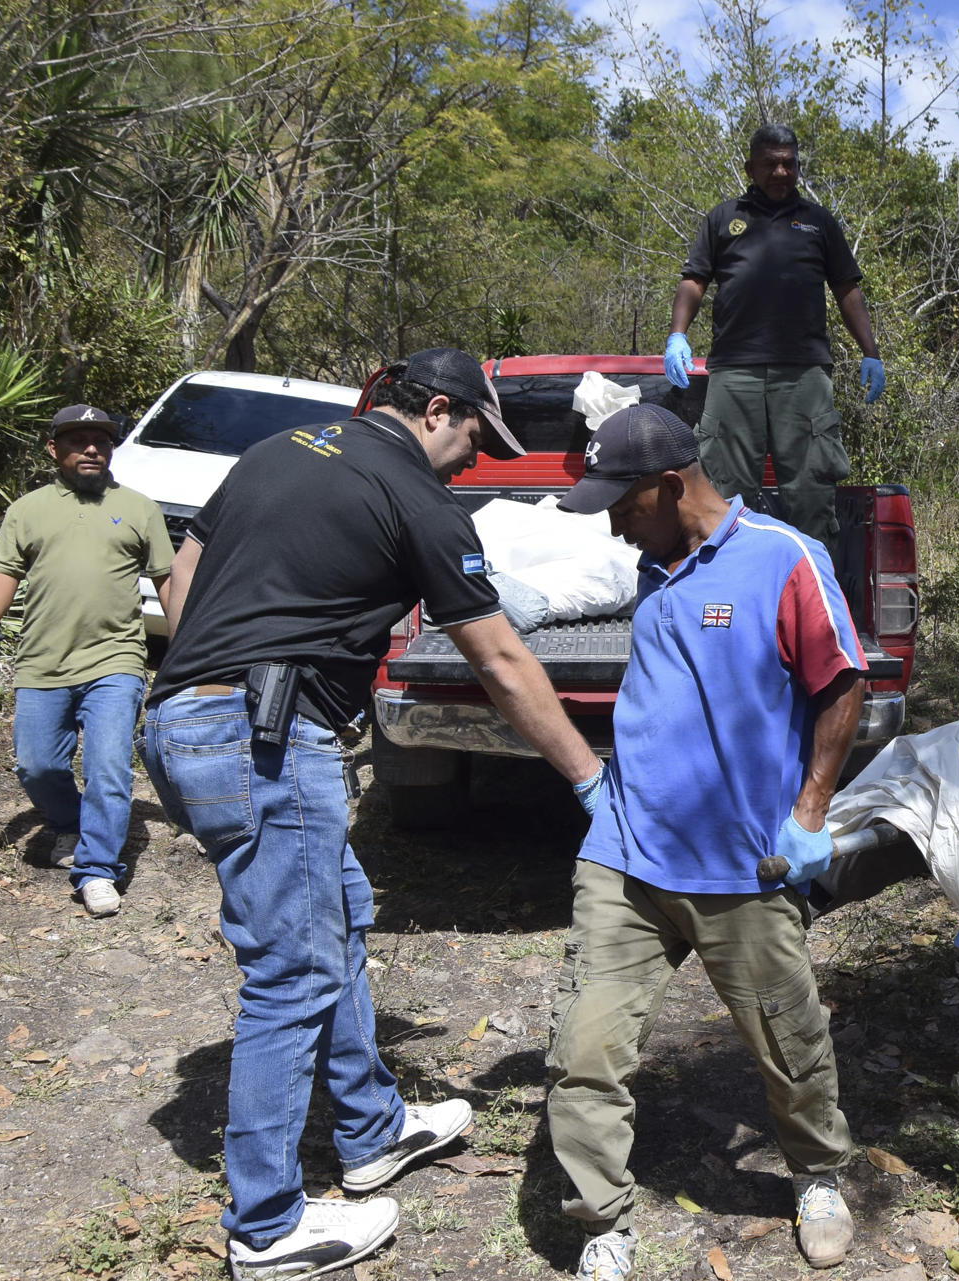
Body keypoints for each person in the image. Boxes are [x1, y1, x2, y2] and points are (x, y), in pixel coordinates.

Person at [140, 348, 608, 1280]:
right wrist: (590, 779)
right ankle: (266, 1227)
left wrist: (207, 680)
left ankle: (371, 1129)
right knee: (293, 973)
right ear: (437, 410)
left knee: (340, 914)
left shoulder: (276, 452)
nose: (473, 463)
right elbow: (502, 661)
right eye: (475, 438)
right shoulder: (416, 498)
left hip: (187, 717)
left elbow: (182, 575)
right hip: (266, 737)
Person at [548, 403, 867, 1280]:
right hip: (627, 854)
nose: (611, 520)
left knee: (788, 1039)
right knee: (584, 1049)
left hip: (743, 862)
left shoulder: (782, 558)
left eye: (620, 500)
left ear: (668, 484)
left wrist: (809, 813)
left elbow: (842, 684)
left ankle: (817, 1175)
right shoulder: (651, 567)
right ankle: (602, 1218)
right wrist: (594, 787)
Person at [0, 404, 174, 918]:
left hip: (115, 658)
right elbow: (4, 567)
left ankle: (98, 869)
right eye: (78, 440)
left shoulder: (139, 507)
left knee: (108, 768)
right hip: (42, 660)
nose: (91, 449)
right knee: (37, 765)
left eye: (101, 441)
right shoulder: (28, 509)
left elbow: (167, 577)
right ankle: (69, 823)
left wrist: (188, 638)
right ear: (53, 449)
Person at [662, 123, 884, 551]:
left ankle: (812, 600)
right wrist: (677, 335)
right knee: (723, 493)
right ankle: (727, 601)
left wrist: (870, 352)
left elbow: (847, 289)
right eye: (771, 164)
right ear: (751, 167)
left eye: (789, 164)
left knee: (811, 493)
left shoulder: (818, 223)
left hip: (802, 374)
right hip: (734, 371)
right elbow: (694, 281)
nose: (781, 172)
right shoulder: (724, 219)